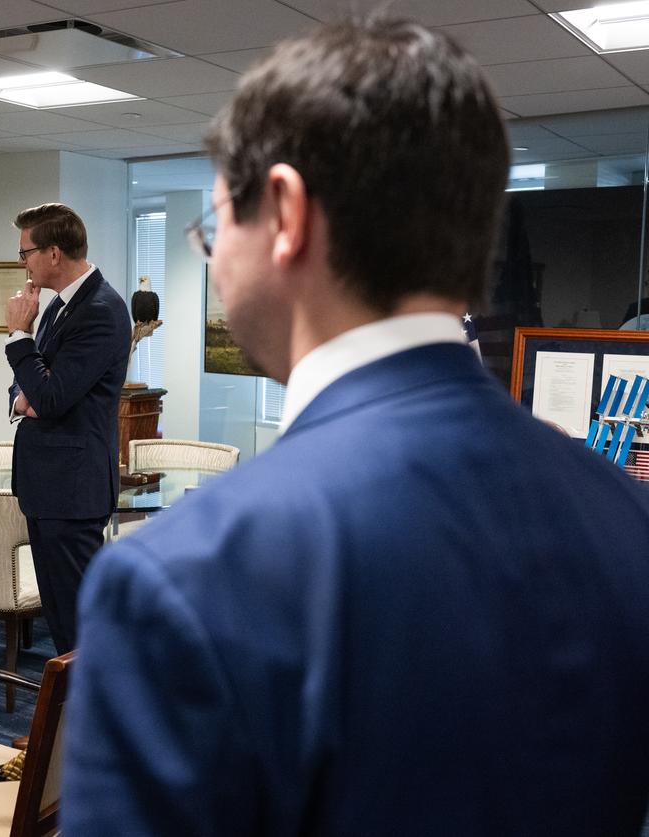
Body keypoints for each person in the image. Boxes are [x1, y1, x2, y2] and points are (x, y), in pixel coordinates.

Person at [64, 17, 649, 836]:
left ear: (286, 211)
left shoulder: (189, 575)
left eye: (215, 224)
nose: (213, 257)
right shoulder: (624, 515)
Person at [4, 203, 130, 654]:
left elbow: (52, 397)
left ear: (54, 253)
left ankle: (94, 717)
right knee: (60, 616)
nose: (23, 262)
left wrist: (19, 336)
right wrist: (29, 394)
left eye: (26, 252)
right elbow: (31, 388)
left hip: (73, 490)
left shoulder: (101, 309)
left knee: (79, 622)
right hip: (48, 487)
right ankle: (68, 718)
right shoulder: (59, 307)